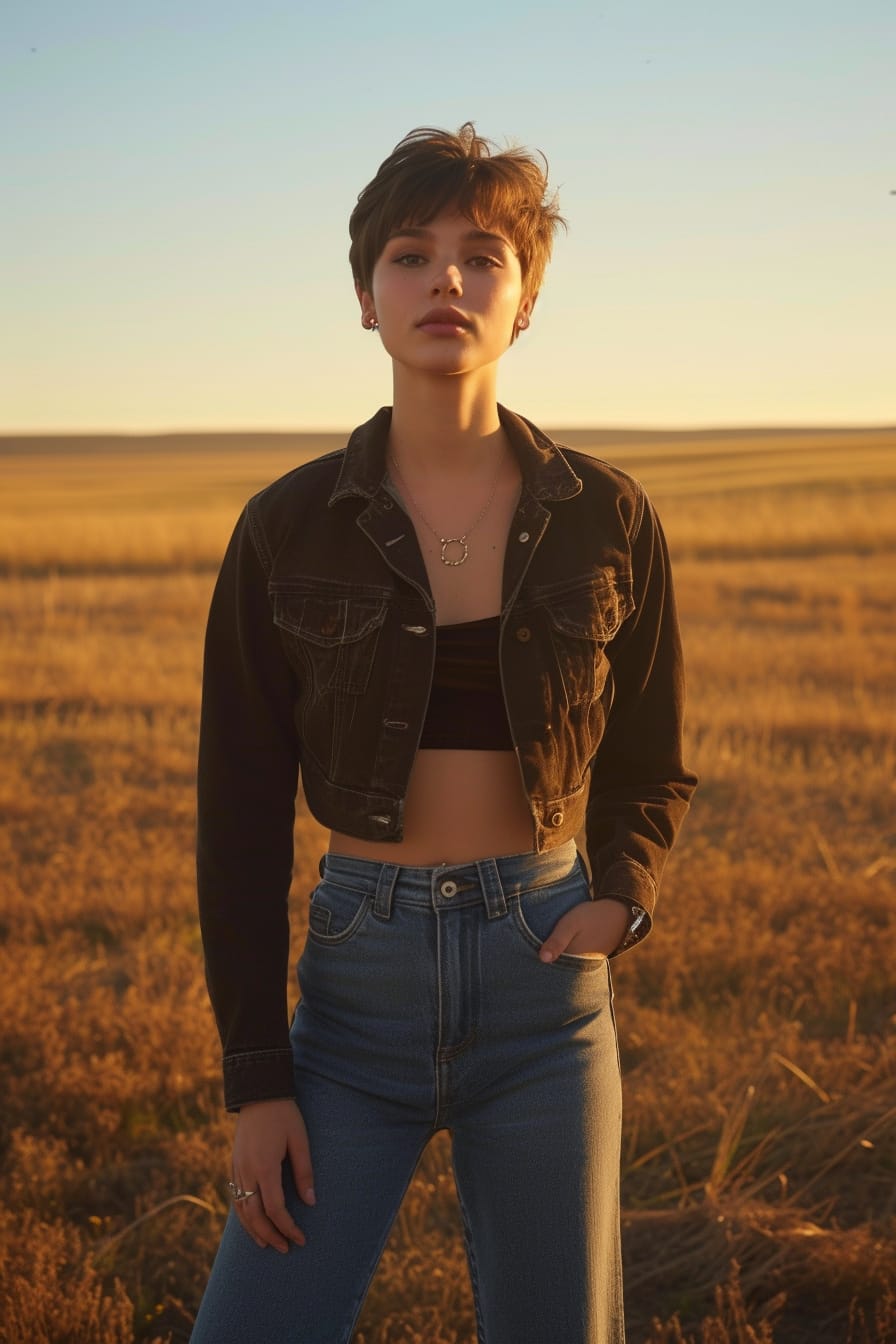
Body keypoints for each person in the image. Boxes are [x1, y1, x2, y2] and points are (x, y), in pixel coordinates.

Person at [190, 123, 696, 1344]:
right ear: (365, 296)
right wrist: (260, 1080)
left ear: (525, 302)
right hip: (353, 994)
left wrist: (618, 899)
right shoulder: (288, 525)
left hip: (543, 987)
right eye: (411, 256)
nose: (446, 284)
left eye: (482, 258)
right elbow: (240, 815)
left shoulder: (605, 518)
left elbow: (649, 762)